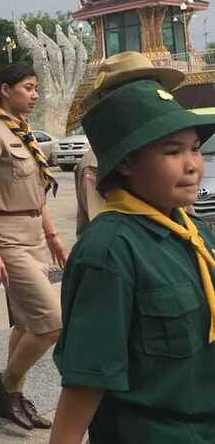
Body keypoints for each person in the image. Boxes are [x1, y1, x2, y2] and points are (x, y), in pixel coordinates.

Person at [49, 79, 215, 443]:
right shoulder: (109, 251)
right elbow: (87, 379)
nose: (192, 165)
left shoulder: (195, 232)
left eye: (194, 149)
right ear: (126, 162)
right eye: (173, 152)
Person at [0, 64, 67, 430]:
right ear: (5, 90)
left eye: (36, 87)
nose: (35, 94)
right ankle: (6, 384)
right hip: (8, 237)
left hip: (35, 235)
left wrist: (53, 236)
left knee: (27, 322)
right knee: (53, 322)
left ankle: (11, 399)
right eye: (28, 87)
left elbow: (36, 193)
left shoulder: (23, 131)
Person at [74, 52, 184, 237]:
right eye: (141, 90)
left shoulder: (171, 147)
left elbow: (184, 216)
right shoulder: (97, 163)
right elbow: (108, 236)